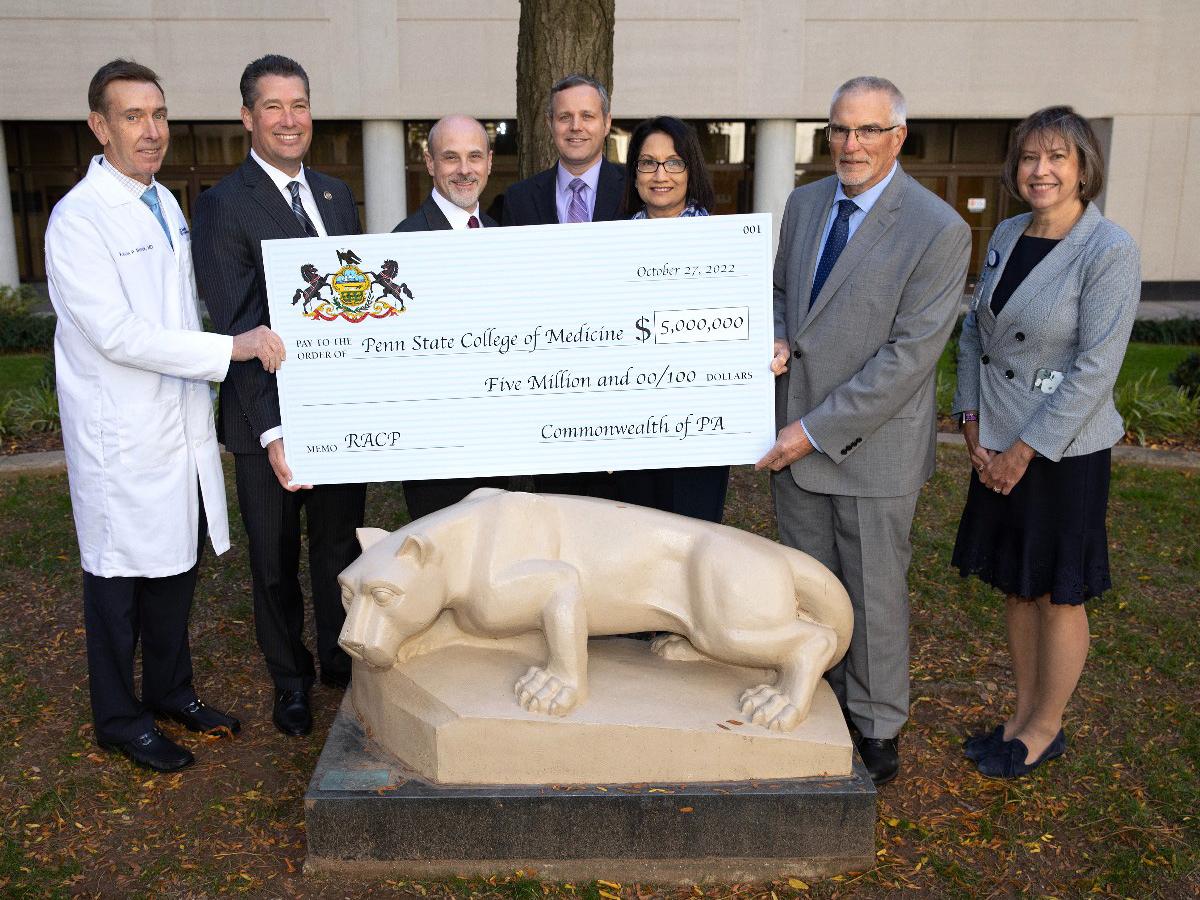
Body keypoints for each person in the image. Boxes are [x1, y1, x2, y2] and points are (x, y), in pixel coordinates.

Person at [46, 59, 285, 771]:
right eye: (132, 117)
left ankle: (171, 691)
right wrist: (231, 348)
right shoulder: (78, 220)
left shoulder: (164, 203)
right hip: (120, 433)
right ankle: (120, 718)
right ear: (99, 125)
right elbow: (117, 334)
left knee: (175, 566)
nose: (151, 132)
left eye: (158, 116)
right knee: (119, 580)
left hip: (173, 424)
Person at [756, 76, 971, 785]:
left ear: (897, 137)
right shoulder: (805, 201)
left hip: (867, 448)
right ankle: (822, 702)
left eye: (868, 131)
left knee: (874, 597)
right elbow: (783, 290)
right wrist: (780, 338)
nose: (851, 145)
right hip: (794, 436)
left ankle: (877, 727)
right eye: (840, 130)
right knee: (812, 589)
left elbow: (909, 358)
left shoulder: (938, 228)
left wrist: (813, 431)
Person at [952, 106, 1140, 779]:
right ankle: (1021, 712)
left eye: (1058, 158)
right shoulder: (1006, 231)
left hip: (1063, 451)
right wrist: (972, 424)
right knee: (1017, 585)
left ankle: (1047, 727)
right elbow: (976, 330)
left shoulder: (1108, 248)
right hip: (994, 437)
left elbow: (1095, 368)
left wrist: (1021, 452)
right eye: (1031, 158)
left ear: (1084, 167)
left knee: (1059, 592)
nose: (1042, 171)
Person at [192, 54, 366, 738]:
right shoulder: (221, 205)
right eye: (273, 107)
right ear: (247, 117)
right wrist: (272, 433)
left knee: (337, 549)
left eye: (299, 105)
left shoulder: (335, 194)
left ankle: (338, 662)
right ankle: (289, 680)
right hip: (264, 418)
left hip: (336, 412)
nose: (289, 120)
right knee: (273, 561)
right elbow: (236, 325)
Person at [501, 73, 625, 500]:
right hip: (549, 397)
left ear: (607, 123)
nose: (576, 126)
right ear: (550, 124)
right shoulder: (517, 200)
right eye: (565, 117)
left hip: (622, 390)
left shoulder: (638, 191)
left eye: (587, 115)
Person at [392, 115, 510, 519]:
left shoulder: (504, 238)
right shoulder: (403, 245)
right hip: (437, 451)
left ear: (490, 162)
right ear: (429, 163)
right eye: (451, 157)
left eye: (475, 156)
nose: (464, 169)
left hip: (499, 442)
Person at [617, 115, 728, 523]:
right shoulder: (608, 249)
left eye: (673, 162)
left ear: (690, 169)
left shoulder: (726, 249)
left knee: (693, 552)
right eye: (647, 163)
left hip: (700, 432)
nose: (660, 174)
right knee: (636, 555)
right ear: (634, 174)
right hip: (631, 435)